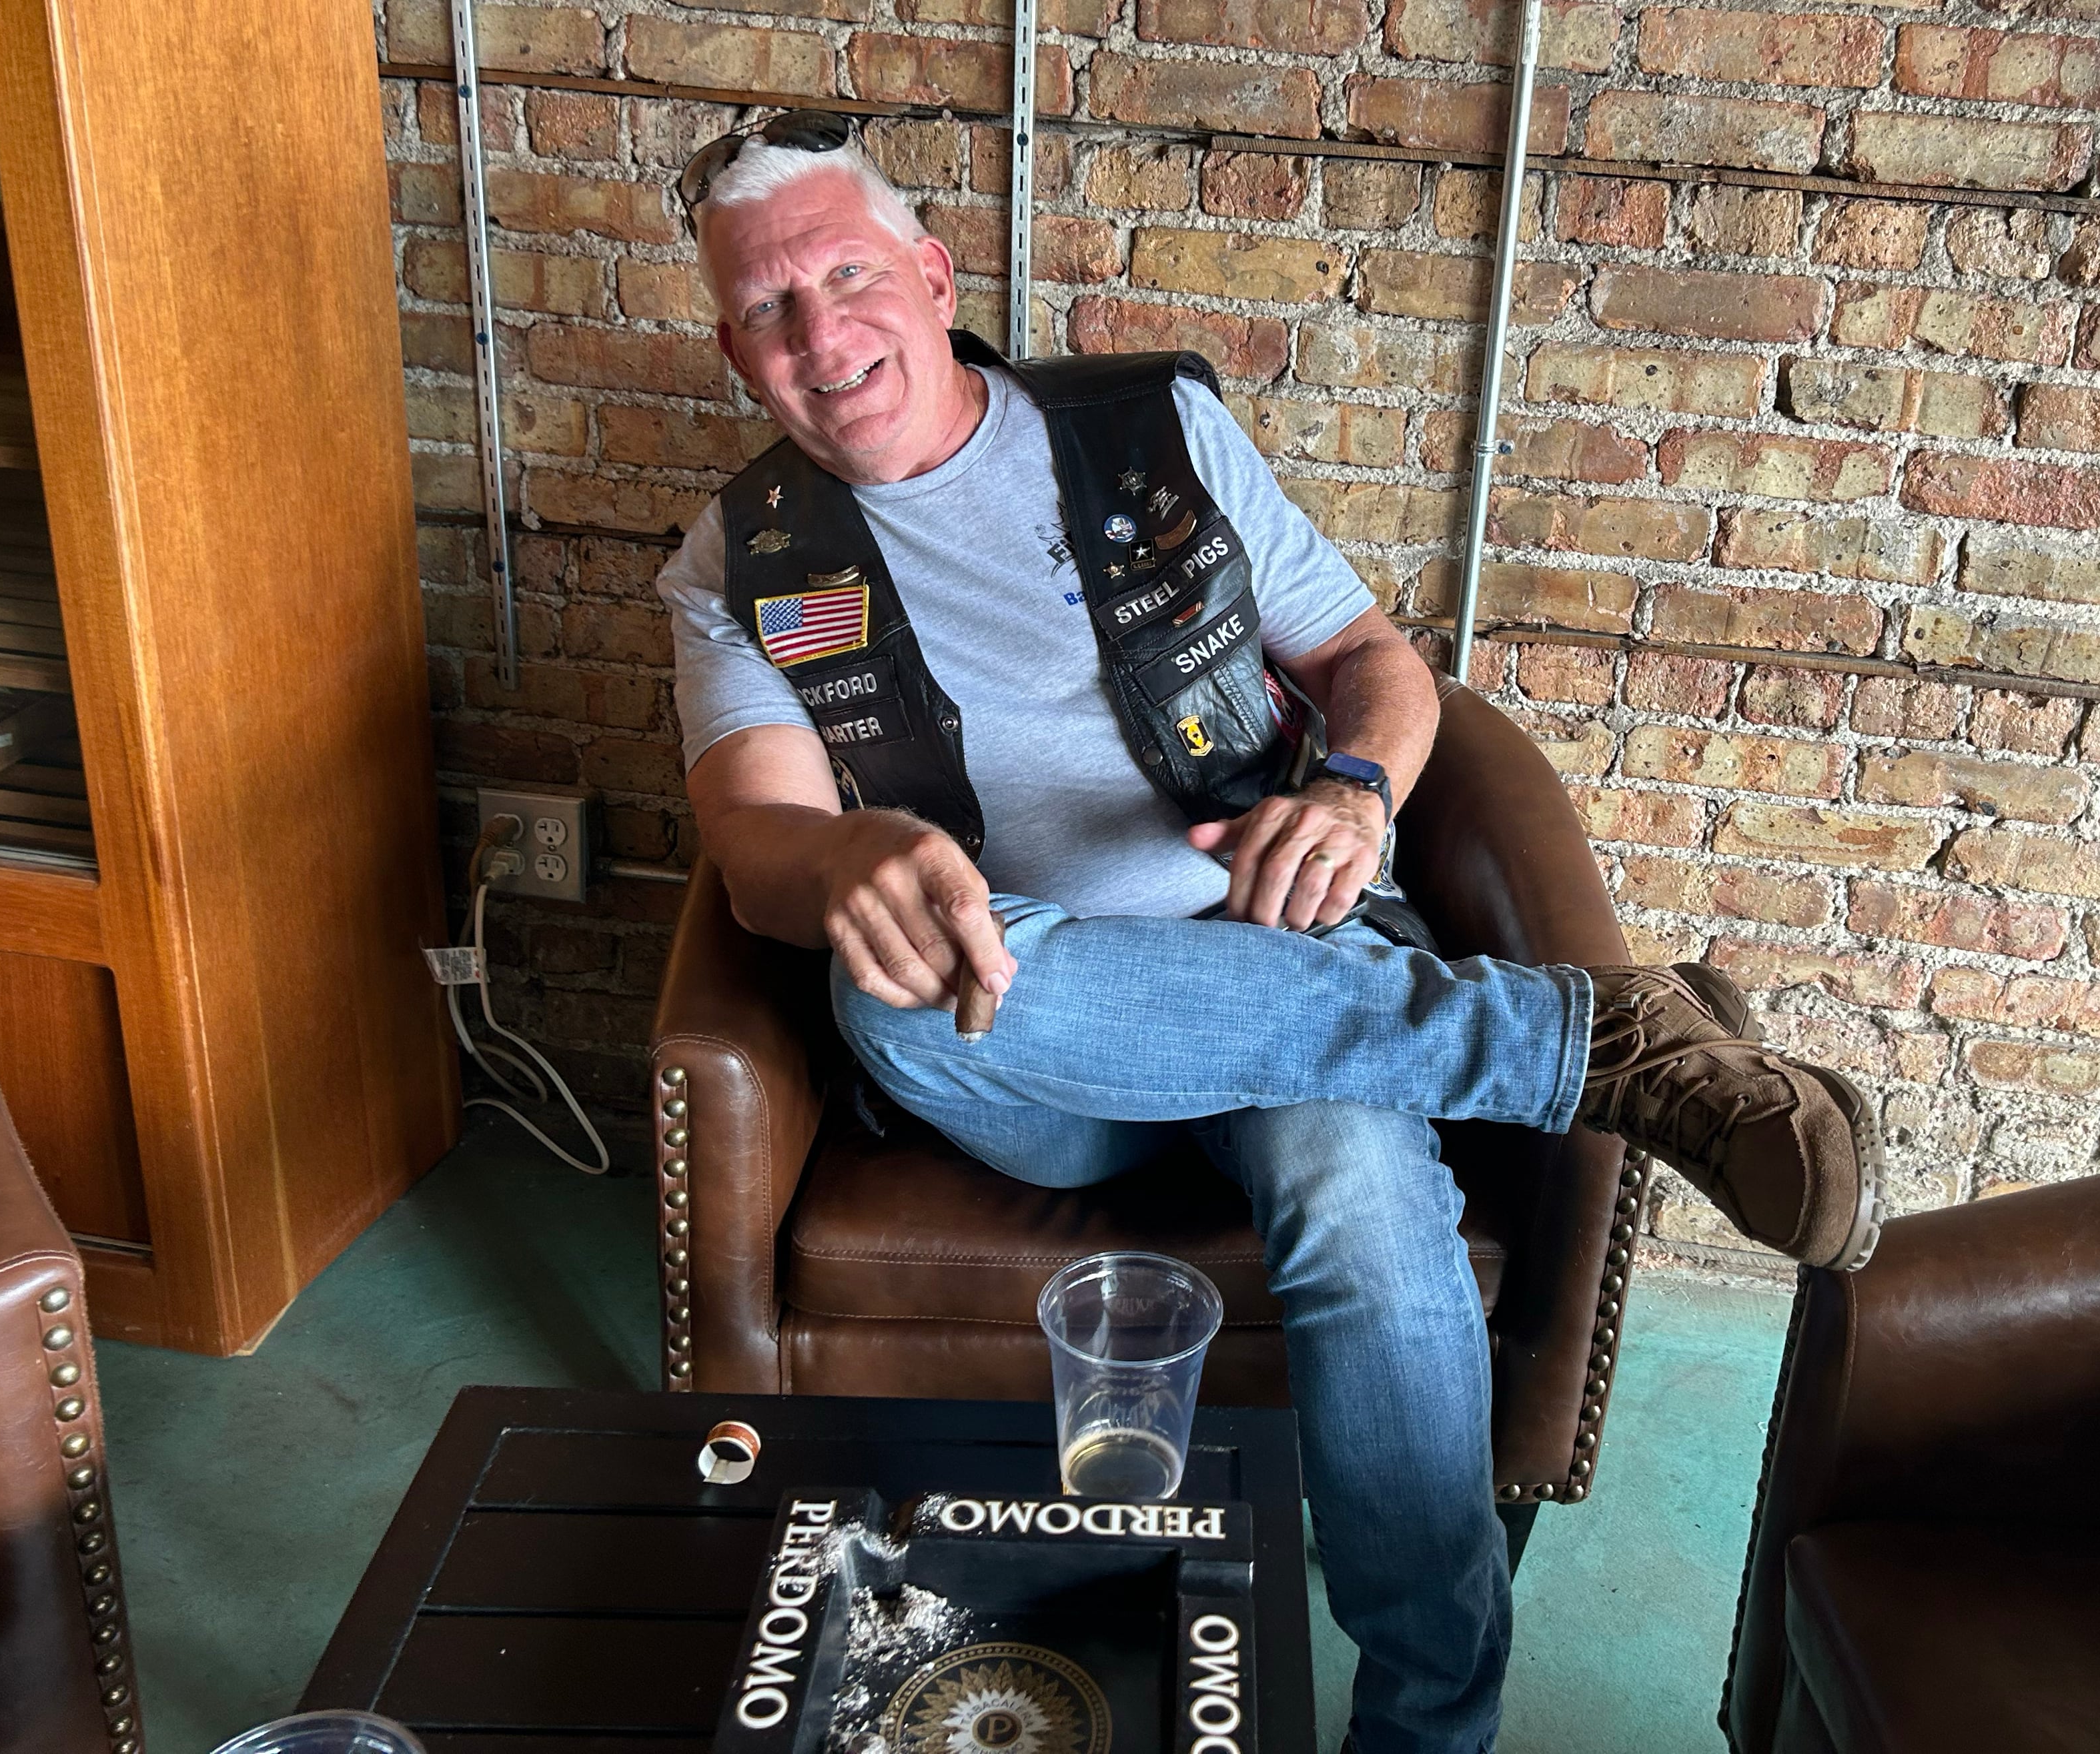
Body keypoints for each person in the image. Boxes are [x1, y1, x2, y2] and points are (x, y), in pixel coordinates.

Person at [654, 111, 1882, 1754]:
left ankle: (1424, 1736)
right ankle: (1593, 1041)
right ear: (736, 349)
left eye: (847, 277)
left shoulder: (1154, 431)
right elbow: (752, 842)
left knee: (1367, 1199)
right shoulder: (740, 562)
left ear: (934, 280)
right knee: (887, 1000)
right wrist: (852, 856)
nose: (820, 334)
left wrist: (1361, 792)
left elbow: (1373, 657)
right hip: (1033, 1036)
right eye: (769, 310)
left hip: (1279, 944)